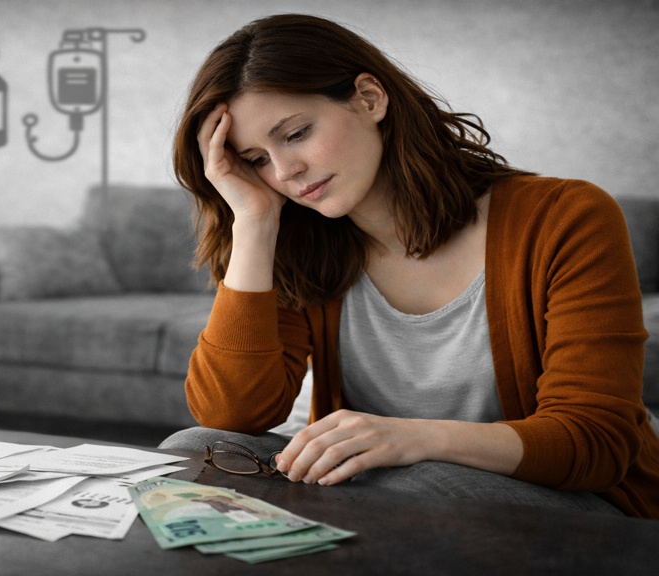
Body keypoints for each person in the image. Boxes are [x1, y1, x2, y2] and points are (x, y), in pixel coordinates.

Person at [161, 13, 659, 519]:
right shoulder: (298, 242)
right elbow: (233, 414)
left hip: (572, 498)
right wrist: (254, 223)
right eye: (256, 159)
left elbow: (596, 442)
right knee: (196, 448)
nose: (285, 172)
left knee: (422, 486)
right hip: (387, 486)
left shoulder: (564, 217)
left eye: (296, 134)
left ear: (369, 98)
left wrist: (418, 438)